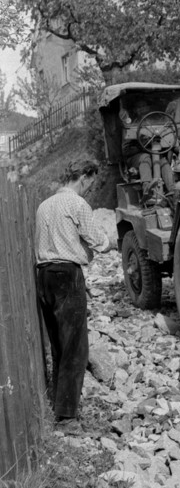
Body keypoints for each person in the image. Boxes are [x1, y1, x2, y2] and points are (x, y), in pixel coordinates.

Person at [35, 158, 111, 429]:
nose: (90, 188)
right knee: (76, 347)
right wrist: (108, 243)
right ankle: (67, 418)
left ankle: (58, 405)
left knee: (58, 345)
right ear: (85, 177)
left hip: (44, 274)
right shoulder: (77, 204)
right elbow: (96, 241)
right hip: (67, 274)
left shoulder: (44, 205)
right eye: (91, 181)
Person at [120, 98, 176, 203]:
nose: (142, 109)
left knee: (163, 161)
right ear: (136, 110)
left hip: (154, 154)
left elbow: (168, 139)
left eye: (144, 106)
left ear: (148, 108)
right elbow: (125, 150)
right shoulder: (131, 125)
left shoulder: (158, 123)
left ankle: (172, 191)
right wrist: (142, 146)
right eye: (139, 107)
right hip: (135, 157)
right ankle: (147, 189)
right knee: (145, 158)